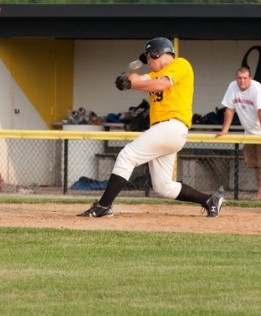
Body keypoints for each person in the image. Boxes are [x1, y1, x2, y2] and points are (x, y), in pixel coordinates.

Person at [78, 37, 225, 218]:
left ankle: (103, 206)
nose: (147, 63)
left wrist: (131, 83)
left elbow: (162, 84)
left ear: (157, 53)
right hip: (165, 132)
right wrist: (127, 78)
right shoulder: (156, 74)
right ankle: (210, 200)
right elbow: (141, 79)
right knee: (163, 186)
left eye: (148, 58)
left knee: (127, 155)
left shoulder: (180, 64)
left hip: (171, 126)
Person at [215, 66, 261, 200]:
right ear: (236, 78)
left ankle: (260, 194)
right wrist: (225, 130)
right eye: (239, 78)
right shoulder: (232, 87)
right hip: (250, 131)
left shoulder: (257, 89)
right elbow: (229, 109)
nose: (242, 81)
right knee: (256, 165)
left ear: (250, 78)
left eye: (245, 78)